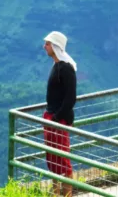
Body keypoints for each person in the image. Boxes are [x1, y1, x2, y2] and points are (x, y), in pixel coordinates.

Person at [43, 31, 77, 197]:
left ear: (55, 47)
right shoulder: (57, 66)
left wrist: (56, 118)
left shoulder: (66, 69)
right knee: (52, 157)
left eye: (47, 44)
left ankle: (67, 193)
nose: (44, 47)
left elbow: (70, 98)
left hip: (59, 119)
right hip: (51, 117)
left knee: (62, 157)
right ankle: (56, 192)